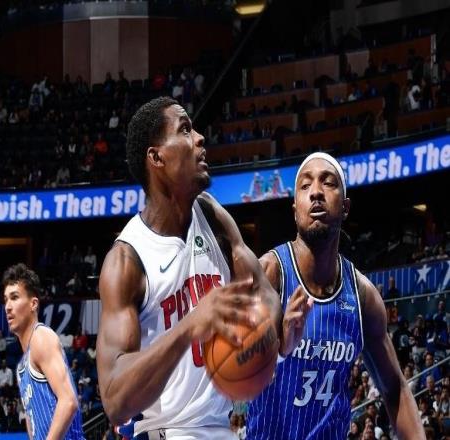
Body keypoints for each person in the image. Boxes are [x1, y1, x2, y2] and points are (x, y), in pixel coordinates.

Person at [96, 97, 304, 439]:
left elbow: (262, 293)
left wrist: (277, 340)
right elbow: (115, 401)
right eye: (185, 130)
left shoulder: (212, 216)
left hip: (222, 428)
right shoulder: (126, 261)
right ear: (156, 157)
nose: (199, 138)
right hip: (166, 431)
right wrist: (190, 327)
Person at [247, 152, 424, 439]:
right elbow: (230, 369)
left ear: (345, 207)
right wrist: (277, 348)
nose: (316, 192)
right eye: (305, 186)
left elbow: (395, 389)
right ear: (295, 210)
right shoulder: (269, 274)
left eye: (328, 183)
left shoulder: (363, 296)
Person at [2, 263, 84, 439]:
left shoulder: (41, 337)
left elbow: (68, 401)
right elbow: (33, 423)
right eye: (6, 299)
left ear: (33, 304)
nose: (7, 306)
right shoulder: (21, 367)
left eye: (14, 297)